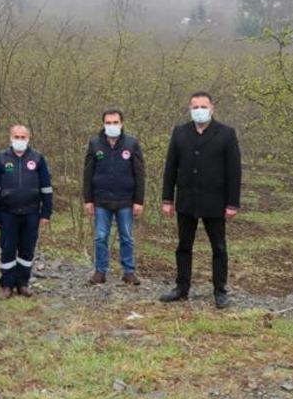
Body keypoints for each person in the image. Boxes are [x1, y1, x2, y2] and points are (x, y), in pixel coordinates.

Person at [159, 92, 242, 308]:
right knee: (184, 247)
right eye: (195, 106)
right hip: (186, 200)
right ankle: (181, 288)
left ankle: (220, 291)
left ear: (212, 108)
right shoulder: (180, 133)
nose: (199, 110)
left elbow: (234, 172)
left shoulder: (226, 134)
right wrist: (167, 199)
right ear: (189, 108)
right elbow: (170, 168)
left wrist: (233, 203)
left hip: (215, 202)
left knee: (219, 248)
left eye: (203, 106)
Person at [0, 124, 53, 298]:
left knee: (27, 249)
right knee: (8, 249)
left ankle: (22, 283)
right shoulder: (1, 158)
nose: (20, 140)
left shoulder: (38, 158)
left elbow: (46, 188)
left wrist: (46, 213)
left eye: (23, 137)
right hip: (7, 213)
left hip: (32, 213)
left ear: (29, 138)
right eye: (16, 136)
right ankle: (7, 285)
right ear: (10, 138)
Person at [83, 107, 145, 284]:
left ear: (122, 123)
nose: (112, 126)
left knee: (126, 237)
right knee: (101, 236)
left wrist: (139, 201)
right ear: (103, 124)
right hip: (101, 200)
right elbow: (87, 174)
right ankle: (100, 271)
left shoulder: (131, 144)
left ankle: (128, 272)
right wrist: (88, 200)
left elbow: (140, 174)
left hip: (126, 200)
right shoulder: (95, 144)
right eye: (108, 123)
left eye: (115, 122)